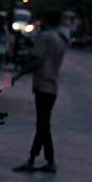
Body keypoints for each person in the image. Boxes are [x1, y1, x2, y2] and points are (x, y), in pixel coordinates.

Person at [13, 9, 68, 173]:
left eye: (41, 20)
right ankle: (44, 161)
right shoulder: (59, 39)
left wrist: (20, 74)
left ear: (46, 20)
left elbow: (36, 59)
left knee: (43, 126)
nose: (39, 23)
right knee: (43, 125)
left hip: (43, 86)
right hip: (52, 87)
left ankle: (37, 161)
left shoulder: (44, 37)